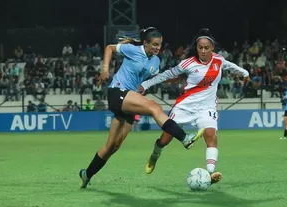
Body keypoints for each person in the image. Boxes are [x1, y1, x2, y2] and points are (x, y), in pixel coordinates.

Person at [79, 27, 205, 188]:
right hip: (117, 91)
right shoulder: (133, 50)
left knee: (112, 146)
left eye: (159, 44)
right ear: (145, 43)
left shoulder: (156, 62)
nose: (157, 48)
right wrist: (105, 70)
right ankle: (184, 137)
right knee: (154, 107)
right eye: (154, 44)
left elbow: (143, 78)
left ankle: (86, 174)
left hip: (128, 99)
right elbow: (109, 48)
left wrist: (143, 86)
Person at [138, 28, 250, 184]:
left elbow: (231, 66)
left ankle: (210, 174)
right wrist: (146, 84)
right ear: (196, 47)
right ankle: (154, 156)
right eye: (200, 48)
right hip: (185, 106)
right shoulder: (188, 63)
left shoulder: (219, 60)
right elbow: (167, 74)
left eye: (206, 48)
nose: (203, 51)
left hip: (207, 107)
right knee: (165, 138)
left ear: (212, 48)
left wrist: (245, 73)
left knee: (211, 136)